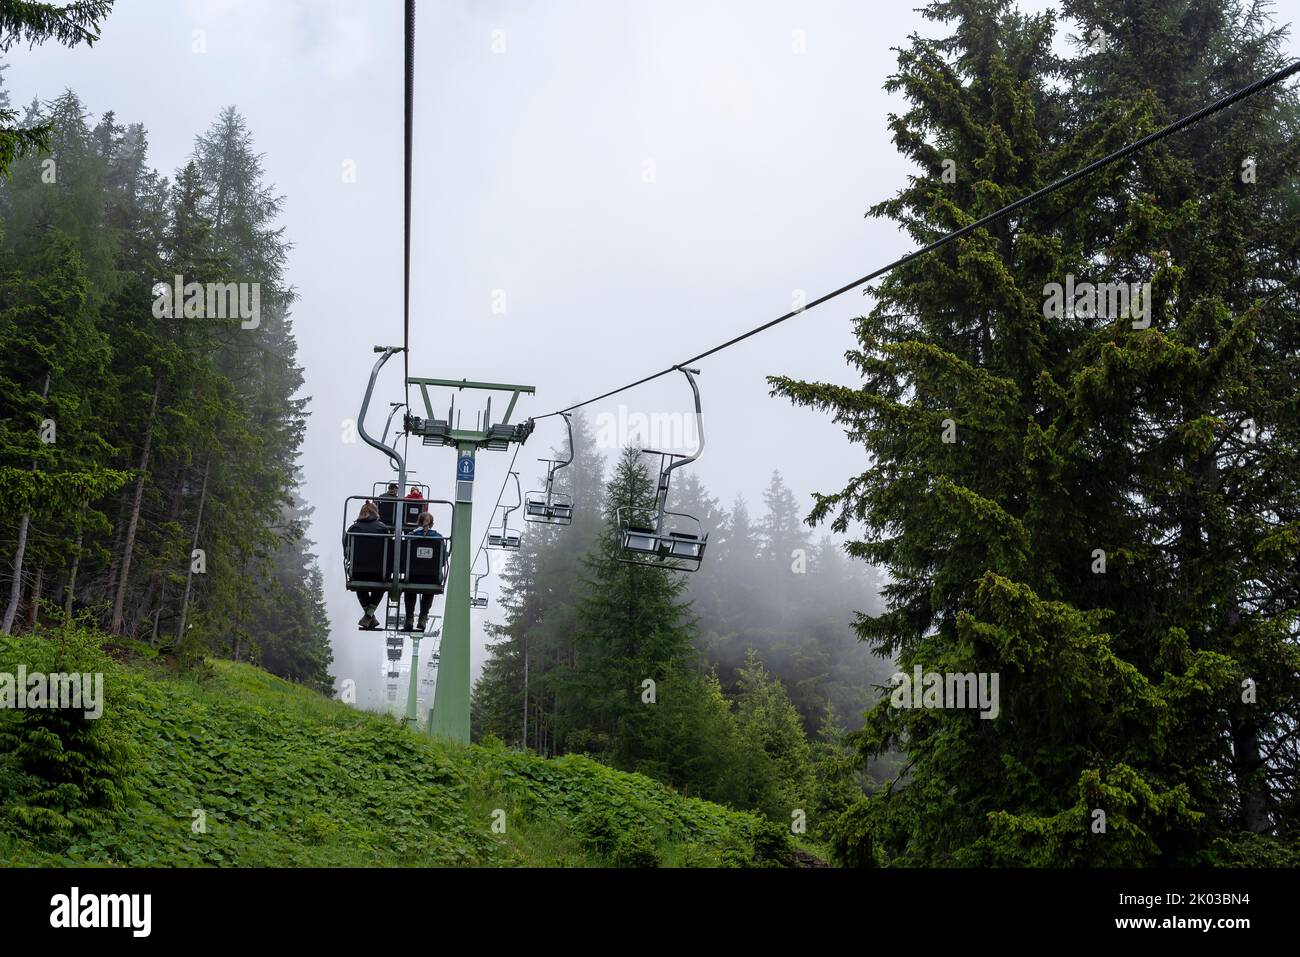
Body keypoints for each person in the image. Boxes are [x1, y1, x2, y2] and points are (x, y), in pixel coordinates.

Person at [344, 501, 389, 629]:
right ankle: (369, 616)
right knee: (381, 586)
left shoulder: (353, 528)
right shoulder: (382, 528)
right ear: (376, 513)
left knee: (359, 585)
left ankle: (368, 616)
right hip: (379, 572)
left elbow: (346, 548)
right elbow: (389, 549)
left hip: (358, 571)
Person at [403, 510, 443, 632]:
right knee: (428, 589)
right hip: (430, 575)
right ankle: (421, 617)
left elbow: (404, 553)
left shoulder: (411, 536)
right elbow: (443, 556)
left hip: (413, 573)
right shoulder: (438, 538)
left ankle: (411, 617)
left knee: (410, 590)